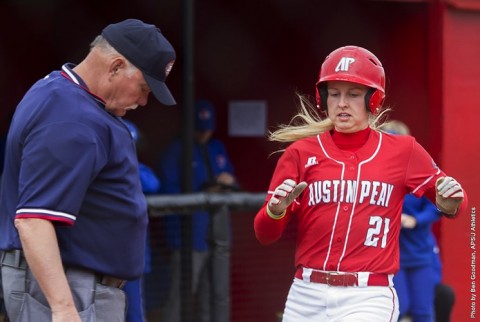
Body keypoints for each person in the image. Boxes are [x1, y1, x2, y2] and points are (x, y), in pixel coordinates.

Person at [253, 45, 468, 322]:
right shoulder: (301, 153)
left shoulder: (403, 150)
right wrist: (275, 211)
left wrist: (451, 201)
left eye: (353, 94)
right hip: (306, 294)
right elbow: (265, 234)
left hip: (368, 295)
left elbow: (451, 204)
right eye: (334, 93)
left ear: (373, 100)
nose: (342, 102)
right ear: (323, 98)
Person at [0, 18, 176, 322]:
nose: (145, 101)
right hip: (70, 289)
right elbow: (34, 219)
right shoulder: (70, 116)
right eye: (144, 87)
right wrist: (63, 308)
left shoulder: (65, 96)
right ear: (116, 66)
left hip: (80, 285)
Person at [157, 100, 239, 322]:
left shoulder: (216, 147)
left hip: (218, 232)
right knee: (181, 295)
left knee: (215, 293)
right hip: (188, 235)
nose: (204, 134)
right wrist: (203, 189)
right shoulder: (176, 150)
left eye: (208, 129)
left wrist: (228, 182)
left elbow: (232, 179)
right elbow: (167, 191)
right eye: (199, 129)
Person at [382, 120, 442, 322]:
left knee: (423, 311)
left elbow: (439, 205)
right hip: (389, 257)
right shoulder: (375, 174)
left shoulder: (419, 171)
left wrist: (415, 220)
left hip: (419, 253)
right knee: (398, 309)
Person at [122, 120, 161, 322]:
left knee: (134, 313)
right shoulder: (100, 163)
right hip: (100, 254)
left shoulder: (139, 169)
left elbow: (153, 184)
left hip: (134, 254)